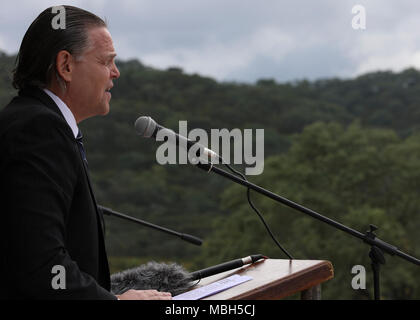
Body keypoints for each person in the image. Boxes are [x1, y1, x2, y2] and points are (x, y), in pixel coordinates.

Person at [0, 5, 171, 300]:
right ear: (66, 65)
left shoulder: (36, 121)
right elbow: (40, 265)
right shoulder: (38, 129)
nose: (116, 73)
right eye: (107, 62)